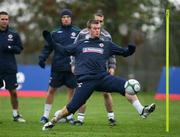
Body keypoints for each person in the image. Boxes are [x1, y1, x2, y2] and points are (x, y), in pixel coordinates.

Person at [42, 19, 156, 131]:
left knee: (127, 86)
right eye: (95, 28)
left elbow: (123, 52)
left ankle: (142, 110)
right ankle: (53, 121)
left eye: (99, 29)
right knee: (72, 108)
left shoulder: (106, 44)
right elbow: (62, 50)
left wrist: (130, 50)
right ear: (89, 30)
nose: (97, 30)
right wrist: (51, 42)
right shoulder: (80, 44)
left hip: (103, 78)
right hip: (86, 81)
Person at [71, 12, 117, 126]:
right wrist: (73, 64)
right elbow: (74, 48)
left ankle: (111, 117)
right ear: (92, 21)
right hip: (85, 69)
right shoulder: (82, 34)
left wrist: (112, 66)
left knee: (106, 92)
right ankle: (80, 119)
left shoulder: (107, 36)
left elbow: (112, 52)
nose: (99, 23)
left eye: (101, 22)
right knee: (82, 93)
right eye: (97, 21)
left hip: (102, 69)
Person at [39, 9, 81, 124]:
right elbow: (48, 47)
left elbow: (81, 48)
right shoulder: (55, 33)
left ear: (71, 19)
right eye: (63, 17)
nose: (66, 19)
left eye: (68, 17)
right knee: (51, 90)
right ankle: (45, 115)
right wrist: (42, 58)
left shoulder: (78, 32)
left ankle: (69, 115)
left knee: (72, 91)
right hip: (57, 67)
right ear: (61, 19)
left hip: (72, 68)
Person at [0, 11, 25, 122]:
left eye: (6, 19)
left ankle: (16, 115)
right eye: (2, 19)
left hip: (9, 67)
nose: (4, 21)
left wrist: (9, 47)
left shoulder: (13, 34)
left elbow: (19, 49)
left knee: (13, 93)